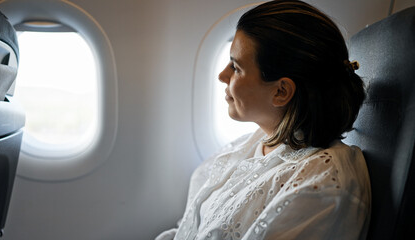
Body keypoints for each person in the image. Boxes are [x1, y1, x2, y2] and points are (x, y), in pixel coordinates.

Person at [156, 0, 371, 239]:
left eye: (236, 67)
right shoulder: (256, 142)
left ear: (281, 91)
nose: (222, 75)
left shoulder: (322, 188)